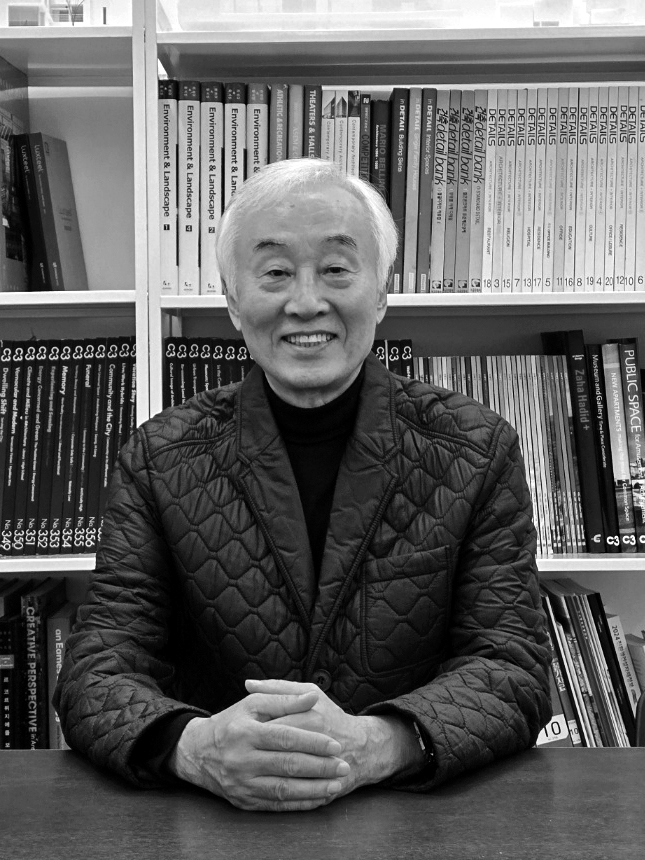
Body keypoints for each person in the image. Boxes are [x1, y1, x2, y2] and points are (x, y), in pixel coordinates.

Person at [54, 158, 551, 812]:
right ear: (233, 301)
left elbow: (510, 665)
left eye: (337, 269)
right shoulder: (159, 457)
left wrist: (377, 743)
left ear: (380, 293)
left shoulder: (475, 449)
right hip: (216, 820)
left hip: (408, 819)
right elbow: (97, 669)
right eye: (275, 273)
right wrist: (195, 747)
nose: (306, 302)